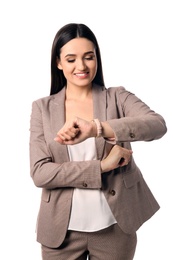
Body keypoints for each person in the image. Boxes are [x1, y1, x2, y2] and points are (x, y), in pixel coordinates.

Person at [29, 23, 167, 260]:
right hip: (61, 232)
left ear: (97, 59)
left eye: (89, 57)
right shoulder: (42, 108)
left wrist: (98, 128)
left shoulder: (117, 97)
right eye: (71, 59)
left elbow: (157, 125)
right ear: (58, 62)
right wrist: (101, 167)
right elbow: (40, 173)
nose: (81, 66)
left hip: (115, 228)